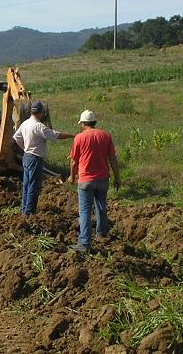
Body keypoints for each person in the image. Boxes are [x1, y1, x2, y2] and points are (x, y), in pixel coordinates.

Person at [67, 110, 121, 253]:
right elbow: (113, 158)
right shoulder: (106, 135)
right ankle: (102, 233)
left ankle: (84, 243)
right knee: (101, 206)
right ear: (94, 122)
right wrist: (117, 177)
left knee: (85, 211)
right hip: (103, 178)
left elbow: (74, 162)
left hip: (86, 180)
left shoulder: (79, 138)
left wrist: (72, 176)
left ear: (83, 123)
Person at [13, 101, 75, 216]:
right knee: (34, 186)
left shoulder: (25, 123)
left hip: (26, 156)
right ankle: (29, 212)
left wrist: (24, 148)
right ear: (41, 112)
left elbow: (16, 137)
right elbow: (55, 135)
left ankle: (24, 210)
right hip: (35, 158)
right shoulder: (39, 126)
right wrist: (72, 135)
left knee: (27, 184)